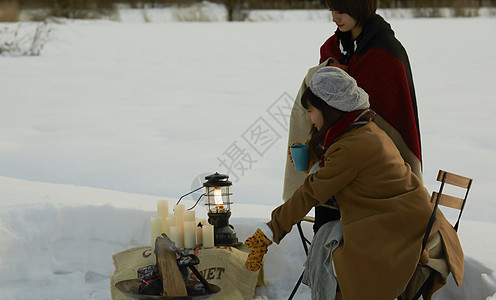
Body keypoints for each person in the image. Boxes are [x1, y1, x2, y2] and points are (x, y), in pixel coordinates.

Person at [245, 67, 463, 300]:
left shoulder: (351, 146)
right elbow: (347, 171)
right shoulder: (364, 129)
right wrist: (315, 158)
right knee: (333, 243)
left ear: (329, 110)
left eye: (311, 110)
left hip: (402, 232)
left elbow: (311, 192)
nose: (308, 117)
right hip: (410, 220)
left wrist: (270, 231)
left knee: (341, 261)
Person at [282, 0, 422, 233]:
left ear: (360, 8)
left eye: (341, 11)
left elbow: (391, 113)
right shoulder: (332, 48)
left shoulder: (386, 52)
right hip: (331, 157)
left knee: (356, 234)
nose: (335, 17)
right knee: (324, 227)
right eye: (332, 11)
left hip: (370, 172)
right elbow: (320, 100)